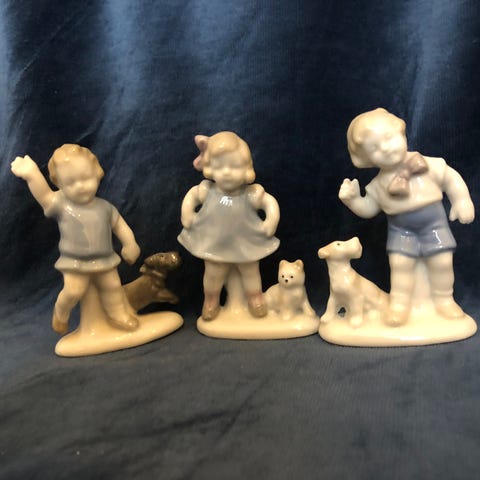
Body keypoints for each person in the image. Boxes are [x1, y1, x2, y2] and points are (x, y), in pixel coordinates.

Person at [339, 108, 474, 325]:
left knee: (442, 263)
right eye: (374, 148)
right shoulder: (378, 184)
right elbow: (369, 209)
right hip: (401, 232)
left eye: (388, 138)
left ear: (401, 132)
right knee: (400, 267)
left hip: (434, 226)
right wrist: (353, 200)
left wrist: (461, 200)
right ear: (367, 158)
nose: (385, 148)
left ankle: (445, 300)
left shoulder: (429, 164)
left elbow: (451, 179)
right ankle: (399, 305)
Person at [11, 144, 140, 334]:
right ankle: (61, 313)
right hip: (74, 261)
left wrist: (130, 243)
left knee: (113, 287)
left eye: (86, 178)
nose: (80, 186)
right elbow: (44, 195)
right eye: (70, 182)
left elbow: (120, 226)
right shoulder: (62, 205)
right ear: (59, 185)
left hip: (104, 259)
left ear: (97, 173)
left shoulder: (105, 207)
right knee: (74, 291)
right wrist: (32, 174)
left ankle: (118, 315)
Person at [178, 131, 280, 320]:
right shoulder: (207, 191)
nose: (226, 172)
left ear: (246, 169)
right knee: (213, 275)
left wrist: (270, 221)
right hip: (215, 244)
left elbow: (269, 202)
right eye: (219, 166)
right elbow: (191, 196)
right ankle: (211, 301)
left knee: (251, 272)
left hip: (246, 243)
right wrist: (187, 214)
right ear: (210, 168)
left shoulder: (250, 193)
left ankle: (255, 298)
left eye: (234, 166)